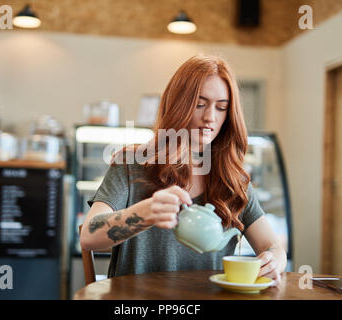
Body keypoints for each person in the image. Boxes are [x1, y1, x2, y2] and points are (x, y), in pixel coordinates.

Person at [80, 54, 287, 286]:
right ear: (177, 105)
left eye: (221, 108)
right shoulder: (133, 164)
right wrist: (145, 213)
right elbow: (89, 236)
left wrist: (274, 259)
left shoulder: (232, 180)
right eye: (200, 104)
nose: (210, 117)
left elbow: (273, 246)